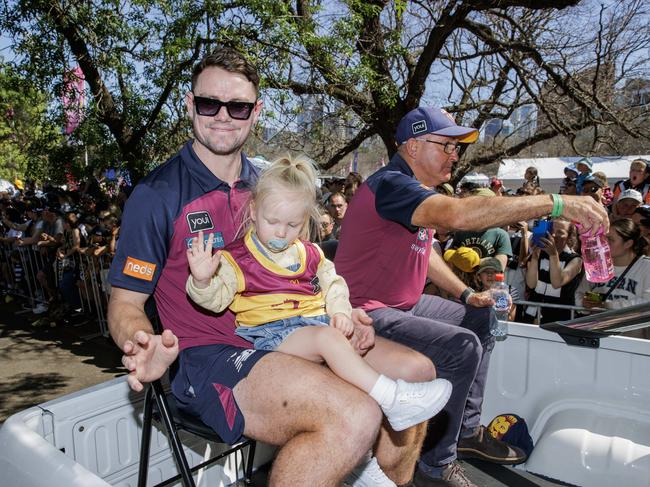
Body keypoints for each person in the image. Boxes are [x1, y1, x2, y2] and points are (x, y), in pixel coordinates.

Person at [108, 47, 442, 486]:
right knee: (355, 414)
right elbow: (125, 301)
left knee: (419, 374)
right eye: (209, 103)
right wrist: (141, 341)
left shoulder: (271, 185)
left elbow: (303, 270)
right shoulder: (157, 195)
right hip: (210, 357)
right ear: (189, 105)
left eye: (238, 105)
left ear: (255, 111)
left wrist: (341, 313)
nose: (223, 115)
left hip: (293, 330)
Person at [334, 106, 609, 487]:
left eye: (457, 147)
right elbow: (457, 217)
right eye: (446, 145)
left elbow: (423, 252)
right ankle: (435, 465)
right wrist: (558, 203)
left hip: (404, 304)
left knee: (481, 319)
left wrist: (465, 293)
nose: (455, 154)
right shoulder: (392, 184)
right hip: (365, 311)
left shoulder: (413, 192)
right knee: (461, 347)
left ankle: (465, 432)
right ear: (413, 146)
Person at [186, 155, 452, 485]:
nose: (282, 232)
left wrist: (340, 312)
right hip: (273, 337)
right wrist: (201, 280)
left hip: (314, 325)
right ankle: (391, 397)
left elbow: (334, 284)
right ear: (253, 211)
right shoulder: (234, 258)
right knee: (330, 342)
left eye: (293, 225)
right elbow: (216, 300)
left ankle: (363, 464)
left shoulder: (310, 253)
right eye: (273, 222)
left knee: (344, 360)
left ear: (305, 221)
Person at [576, 218, 650, 339]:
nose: (604, 242)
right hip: (595, 335)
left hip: (632, 340)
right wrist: (583, 303)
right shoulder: (597, 263)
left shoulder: (646, 266)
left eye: (610, 239)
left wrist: (608, 305)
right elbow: (579, 293)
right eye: (604, 238)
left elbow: (646, 304)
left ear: (628, 244)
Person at [522, 219, 583, 324]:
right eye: (552, 230)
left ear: (569, 237)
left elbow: (557, 283)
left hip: (558, 319)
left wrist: (553, 255)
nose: (554, 235)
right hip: (532, 315)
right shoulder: (540, 254)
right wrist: (535, 255)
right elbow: (531, 284)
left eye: (560, 232)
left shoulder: (575, 260)